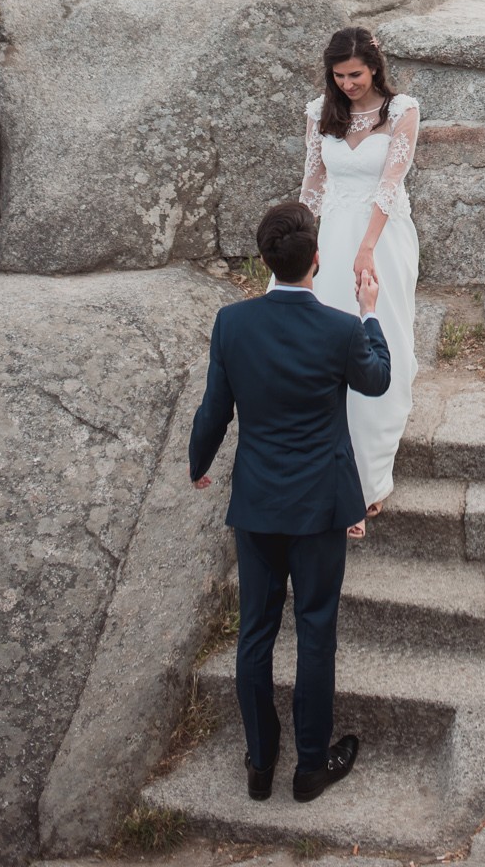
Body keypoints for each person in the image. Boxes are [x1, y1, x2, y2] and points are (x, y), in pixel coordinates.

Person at [188, 199, 390, 805]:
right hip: (321, 506)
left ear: (264, 261)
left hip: (256, 502)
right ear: (317, 260)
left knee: (255, 632)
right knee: (314, 631)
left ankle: (259, 761)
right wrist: (371, 314)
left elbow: (213, 409)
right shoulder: (339, 328)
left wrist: (198, 464)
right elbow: (376, 379)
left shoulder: (232, 323)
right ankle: (310, 766)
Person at [298, 27, 421, 537]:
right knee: (320, 347)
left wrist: (366, 247)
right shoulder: (317, 113)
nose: (347, 83)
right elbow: (311, 183)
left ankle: (370, 478)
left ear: (374, 68)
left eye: (355, 74)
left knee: (376, 340)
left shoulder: (402, 112)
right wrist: (305, 248)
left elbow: (390, 186)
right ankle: (325, 470)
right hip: (330, 234)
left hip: (381, 238)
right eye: (338, 75)